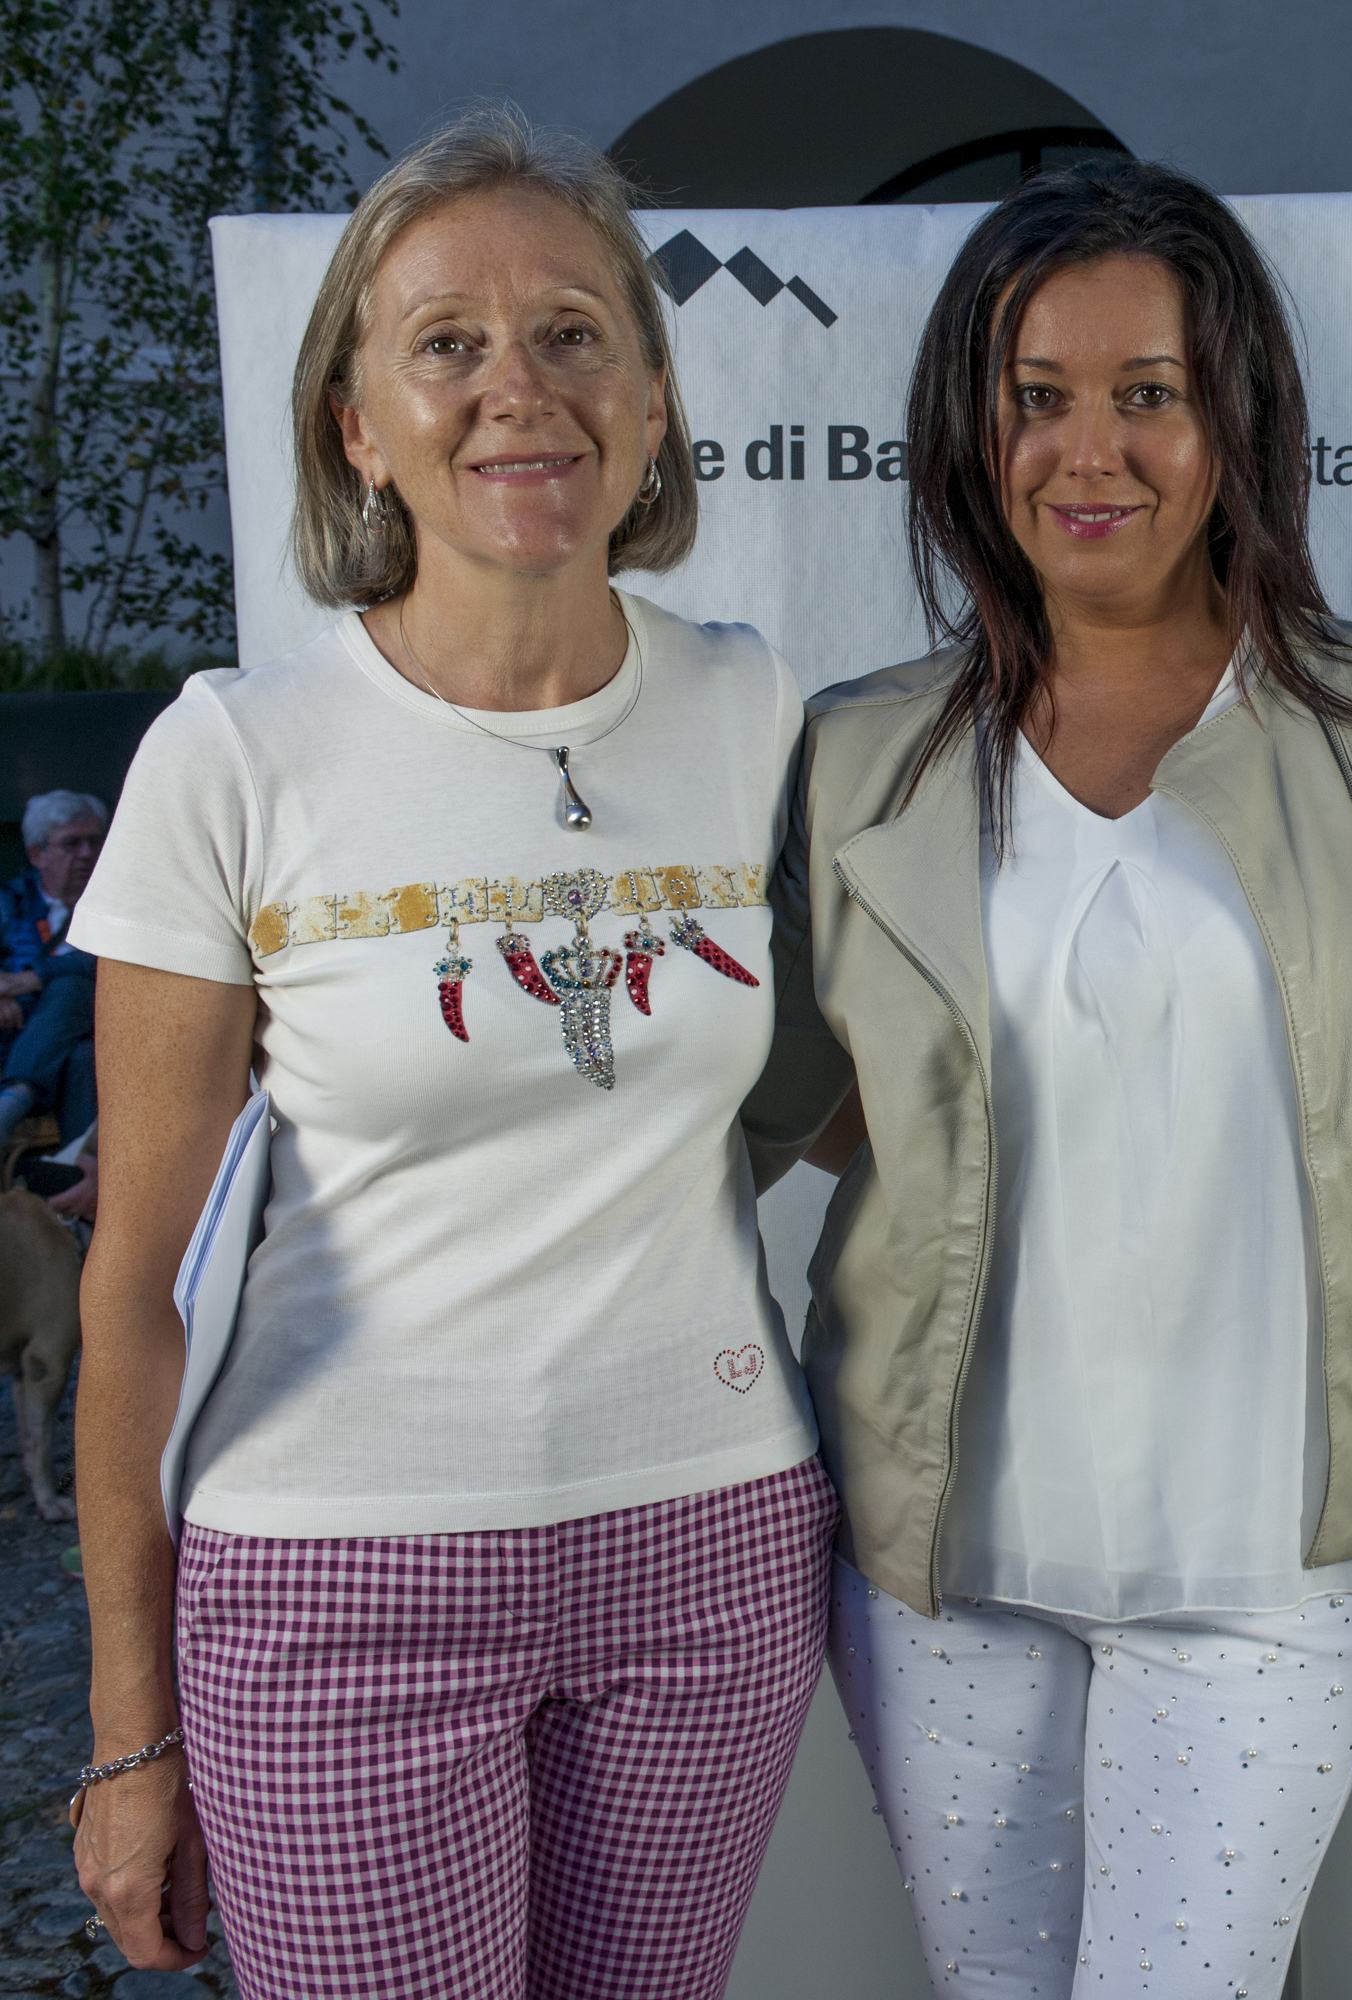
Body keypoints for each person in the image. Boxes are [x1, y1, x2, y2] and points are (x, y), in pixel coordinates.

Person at [742, 160, 1352, 1998]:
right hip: (944, 1555)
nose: (1085, 450)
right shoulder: (860, 754)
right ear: (971, 429)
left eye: (1147, 393)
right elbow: (797, 1092)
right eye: (1036, 395)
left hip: (1272, 1553)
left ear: (1235, 418)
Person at [69, 107, 833, 1998]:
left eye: (573, 333)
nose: (519, 388)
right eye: (447, 343)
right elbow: (138, 1287)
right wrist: (129, 1726)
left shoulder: (752, 707)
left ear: (651, 400)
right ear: (357, 425)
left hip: (709, 1543)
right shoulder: (234, 756)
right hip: (340, 1575)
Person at [0, 789, 106, 1148]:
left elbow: (116, 964)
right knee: (81, 1057)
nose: (87, 854)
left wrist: (33, 978)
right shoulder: (9, 902)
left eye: (94, 842)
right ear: (36, 854)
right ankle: (79, 1167)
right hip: (14, 1036)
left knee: (74, 987)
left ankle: (13, 1101)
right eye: (71, 844)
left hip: (94, 1028)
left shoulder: (114, 906)